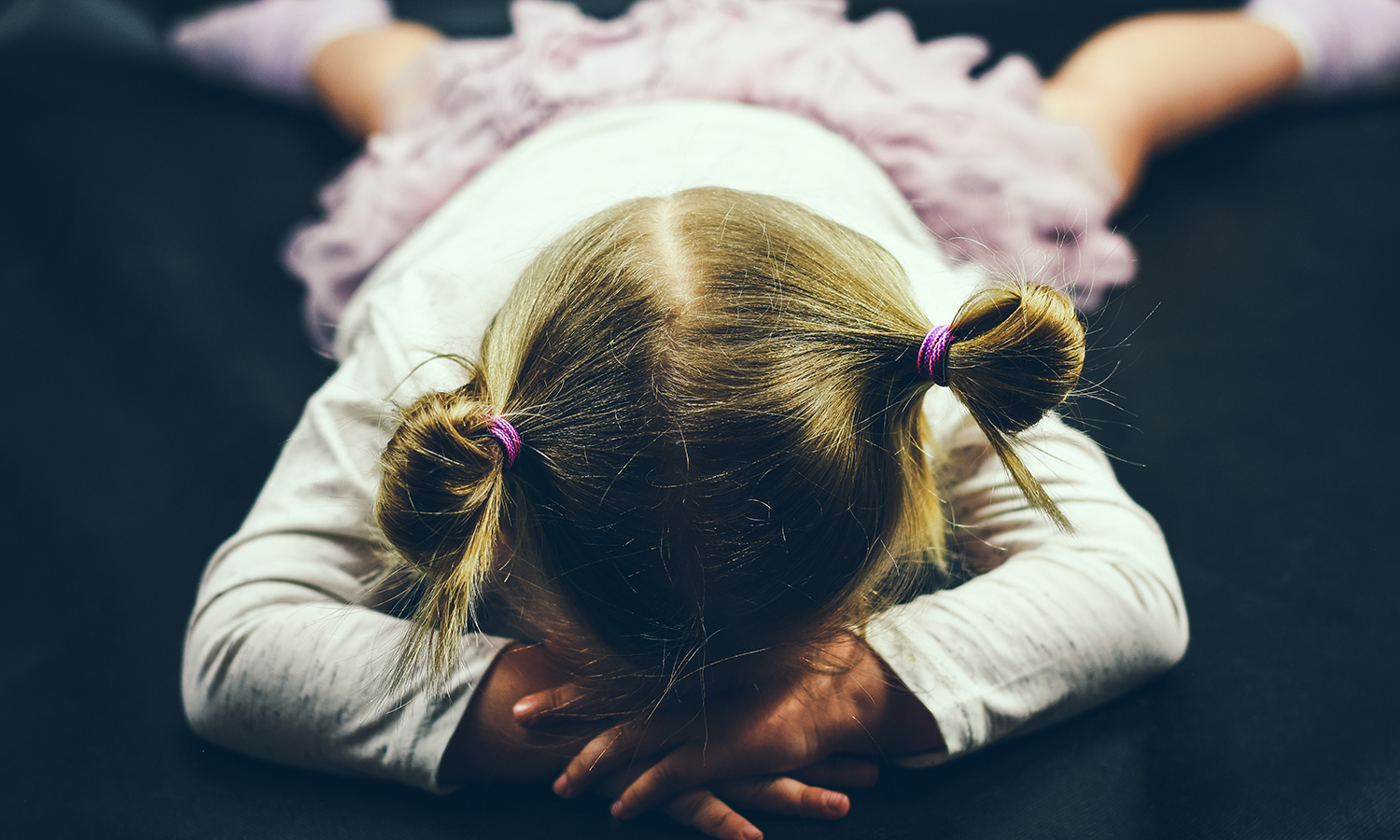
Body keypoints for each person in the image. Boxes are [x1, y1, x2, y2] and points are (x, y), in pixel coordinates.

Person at [172, 2, 1399, 840]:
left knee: (1104, 112)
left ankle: (1293, 32)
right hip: (527, 152)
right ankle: (323, 30)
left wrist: (846, 695)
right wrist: (535, 720)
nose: (704, 708)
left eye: (735, 685)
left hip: (858, 146)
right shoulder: (427, 364)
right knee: (405, 92)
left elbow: (1129, 592)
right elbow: (232, 654)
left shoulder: (908, 347)